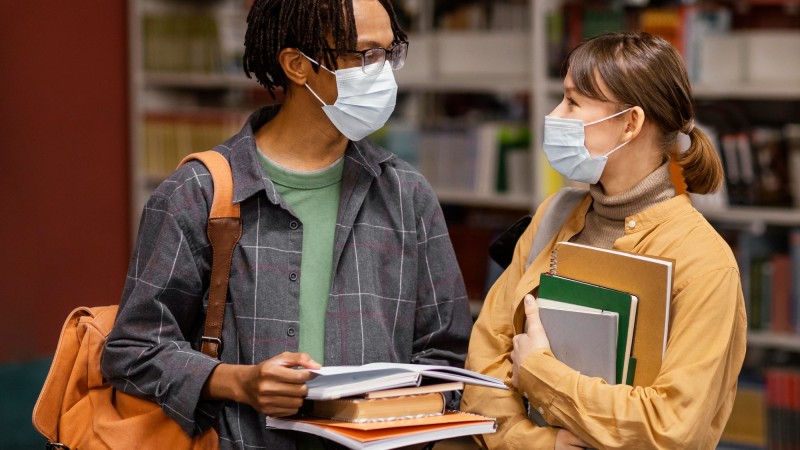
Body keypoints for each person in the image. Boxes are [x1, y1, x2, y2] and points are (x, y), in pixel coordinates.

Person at [101, 1, 472, 448]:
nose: (384, 73)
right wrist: (236, 382)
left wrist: (397, 416)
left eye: (390, 53)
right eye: (365, 55)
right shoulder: (197, 193)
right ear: (298, 66)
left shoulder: (407, 194)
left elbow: (446, 355)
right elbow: (132, 351)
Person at [461, 31, 747, 450]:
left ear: (631, 124)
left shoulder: (703, 262)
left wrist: (541, 374)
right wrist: (541, 444)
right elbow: (484, 367)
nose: (555, 114)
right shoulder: (553, 216)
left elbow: (669, 427)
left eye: (574, 102)